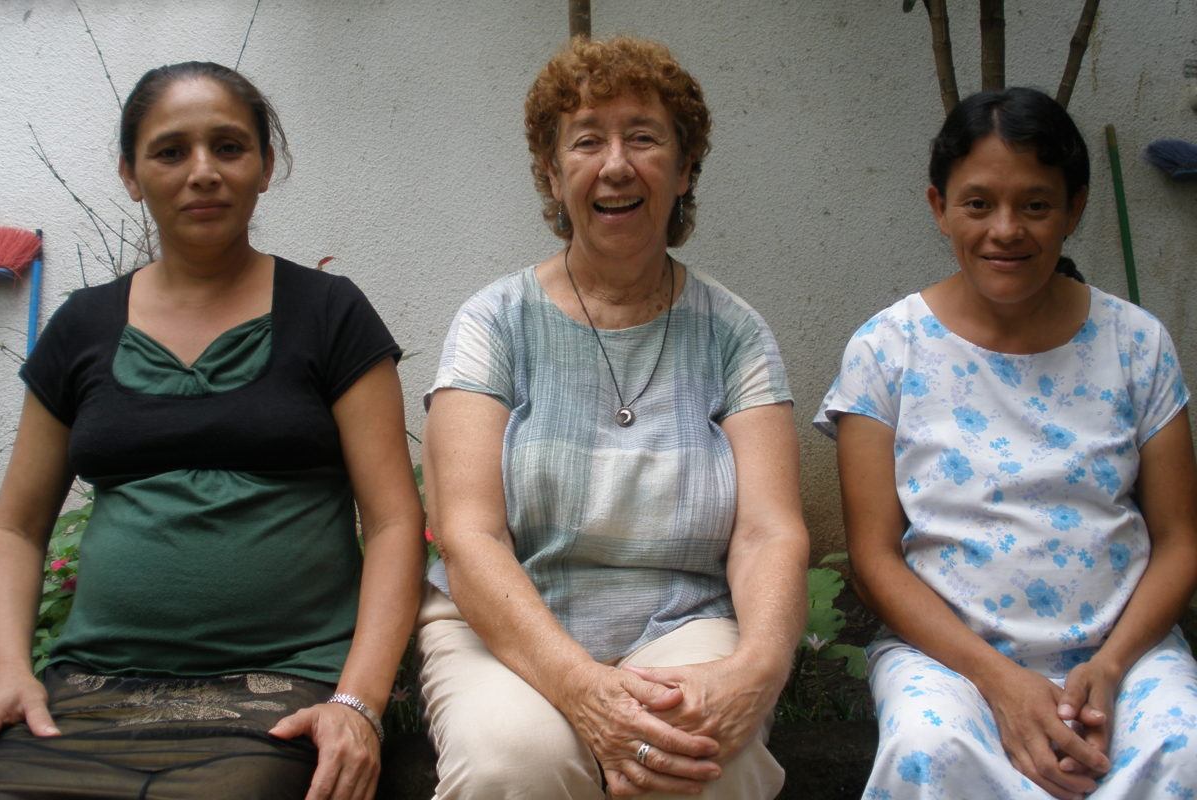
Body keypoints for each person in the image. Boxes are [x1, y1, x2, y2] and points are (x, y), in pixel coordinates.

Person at [0, 61, 425, 800]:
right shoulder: (81, 328)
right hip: (92, 691)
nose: (203, 172)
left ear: (265, 167)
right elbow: (17, 527)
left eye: (229, 147)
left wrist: (356, 704)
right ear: (131, 174)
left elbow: (391, 522)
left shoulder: (329, 314)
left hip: (284, 695)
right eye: (171, 151)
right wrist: (9, 669)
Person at [418, 36, 809, 799]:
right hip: (507, 621)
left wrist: (756, 671)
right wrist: (583, 691)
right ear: (552, 171)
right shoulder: (492, 323)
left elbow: (770, 531)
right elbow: (470, 534)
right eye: (587, 140)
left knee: (699, 760)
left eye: (644, 136)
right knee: (514, 764)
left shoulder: (735, 334)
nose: (617, 164)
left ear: (685, 166)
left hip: (681, 618)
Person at [815, 87, 1197, 800]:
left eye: (1036, 204)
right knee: (929, 750)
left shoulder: (1137, 345)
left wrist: (1110, 670)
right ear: (938, 207)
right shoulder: (887, 351)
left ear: (1075, 207)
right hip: (949, 660)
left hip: (1123, 655)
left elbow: (1179, 540)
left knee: (1185, 750)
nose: (1006, 230)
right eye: (978, 203)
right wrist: (998, 681)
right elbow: (873, 556)